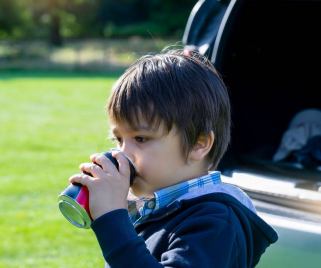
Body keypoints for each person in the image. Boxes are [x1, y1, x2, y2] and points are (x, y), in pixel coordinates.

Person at [69, 48, 278, 268]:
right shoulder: (155, 208)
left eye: (141, 138)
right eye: (119, 139)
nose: (121, 153)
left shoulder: (215, 222)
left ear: (199, 144)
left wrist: (112, 220)